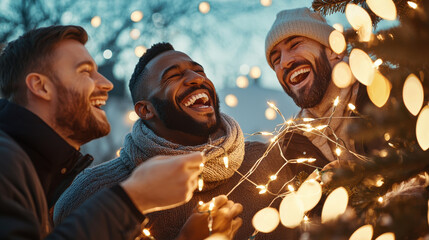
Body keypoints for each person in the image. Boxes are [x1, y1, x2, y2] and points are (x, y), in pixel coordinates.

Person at [54, 42, 329, 239]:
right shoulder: (94, 195)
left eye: (199, 70)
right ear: (145, 110)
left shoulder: (270, 160)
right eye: (173, 76)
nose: (196, 79)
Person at [0, 25, 224, 240]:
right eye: (85, 72)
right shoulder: (6, 162)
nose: (106, 83)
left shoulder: (33, 171)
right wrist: (133, 197)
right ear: (40, 87)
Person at [265, 7, 371, 165]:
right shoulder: (290, 148)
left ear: (333, 51)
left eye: (295, 45)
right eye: (275, 60)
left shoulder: (383, 97)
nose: (284, 62)